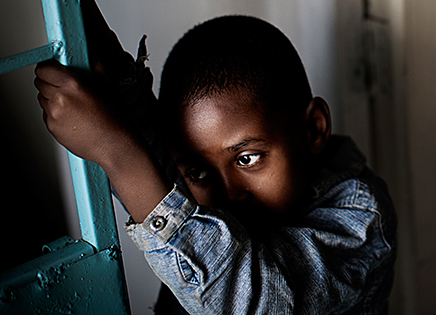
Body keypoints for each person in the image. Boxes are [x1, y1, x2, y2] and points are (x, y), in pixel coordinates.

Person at [32, 1, 396, 314]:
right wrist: (105, 60)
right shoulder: (207, 186)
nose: (228, 194)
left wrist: (119, 155)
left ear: (314, 129)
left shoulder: (360, 217)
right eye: (199, 173)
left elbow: (254, 301)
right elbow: (155, 157)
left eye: (247, 159)